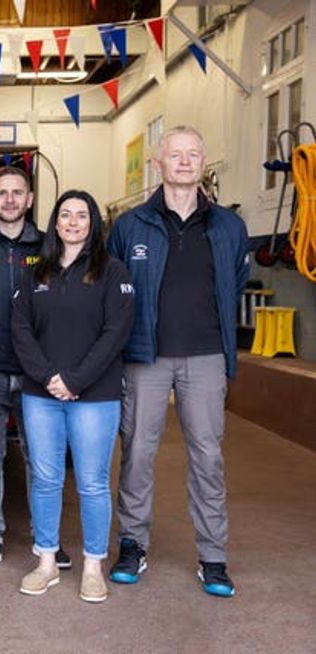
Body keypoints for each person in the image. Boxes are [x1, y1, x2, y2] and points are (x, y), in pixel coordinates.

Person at [108, 126, 249, 598]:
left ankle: (213, 557)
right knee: (137, 456)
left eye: (192, 155)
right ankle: (132, 544)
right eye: (175, 155)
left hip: (207, 357)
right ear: (158, 163)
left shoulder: (229, 226)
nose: (184, 162)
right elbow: (114, 288)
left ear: (203, 162)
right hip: (145, 358)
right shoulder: (130, 227)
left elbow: (237, 281)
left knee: (208, 458)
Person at [11, 190, 135, 602]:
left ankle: (93, 567)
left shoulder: (113, 271)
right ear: (55, 222)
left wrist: (76, 380)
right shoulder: (37, 272)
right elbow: (21, 330)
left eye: (82, 215)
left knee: (92, 483)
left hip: (95, 395)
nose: (73, 222)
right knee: (45, 480)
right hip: (41, 393)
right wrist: (49, 377)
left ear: (93, 222)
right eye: (66, 215)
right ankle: (46, 562)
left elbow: (115, 333)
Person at [0, 166, 72, 573]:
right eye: (1, 193)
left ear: (30, 198)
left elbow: (66, 310)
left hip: (37, 375)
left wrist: (57, 370)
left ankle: (48, 541)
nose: (9, 200)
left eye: (17, 193)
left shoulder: (52, 245)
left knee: (40, 459)